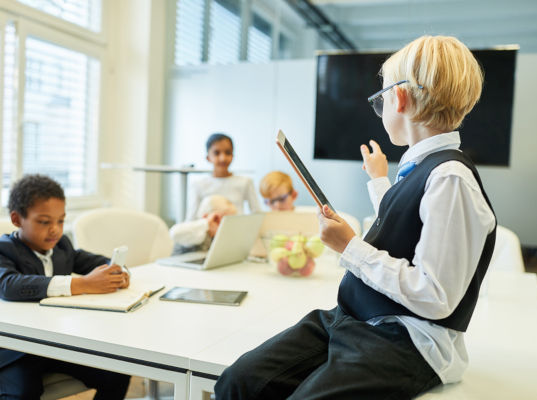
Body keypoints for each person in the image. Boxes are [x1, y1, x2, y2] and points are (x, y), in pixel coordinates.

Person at [214, 35, 497, 399]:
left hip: (407, 338)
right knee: (238, 381)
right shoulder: (422, 168)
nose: (381, 109)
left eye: (380, 99)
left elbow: (435, 296)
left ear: (400, 97)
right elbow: (405, 234)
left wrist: (350, 246)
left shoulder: (450, 180)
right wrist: (379, 180)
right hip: (356, 317)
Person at [0, 174, 131, 400]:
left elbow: (94, 261)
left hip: (55, 342)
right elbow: (8, 285)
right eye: (44, 221)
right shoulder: (0, 252)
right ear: (16, 219)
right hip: (13, 349)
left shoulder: (61, 246)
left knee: (118, 372)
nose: (55, 230)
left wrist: (119, 271)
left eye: (60, 221)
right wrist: (81, 283)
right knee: (22, 393)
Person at [186, 133, 261, 220]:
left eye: (228, 152)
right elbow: (190, 219)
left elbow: (257, 214)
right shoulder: (198, 185)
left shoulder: (245, 182)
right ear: (208, 157)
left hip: (237, 231)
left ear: (233, 155)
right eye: (216, 153)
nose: (223, 158)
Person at [170, 195, 237, 255]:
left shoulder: (219, 236)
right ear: (205, 217)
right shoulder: (198, 233)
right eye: (218, 220)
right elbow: (174, 233)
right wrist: (206, 223)